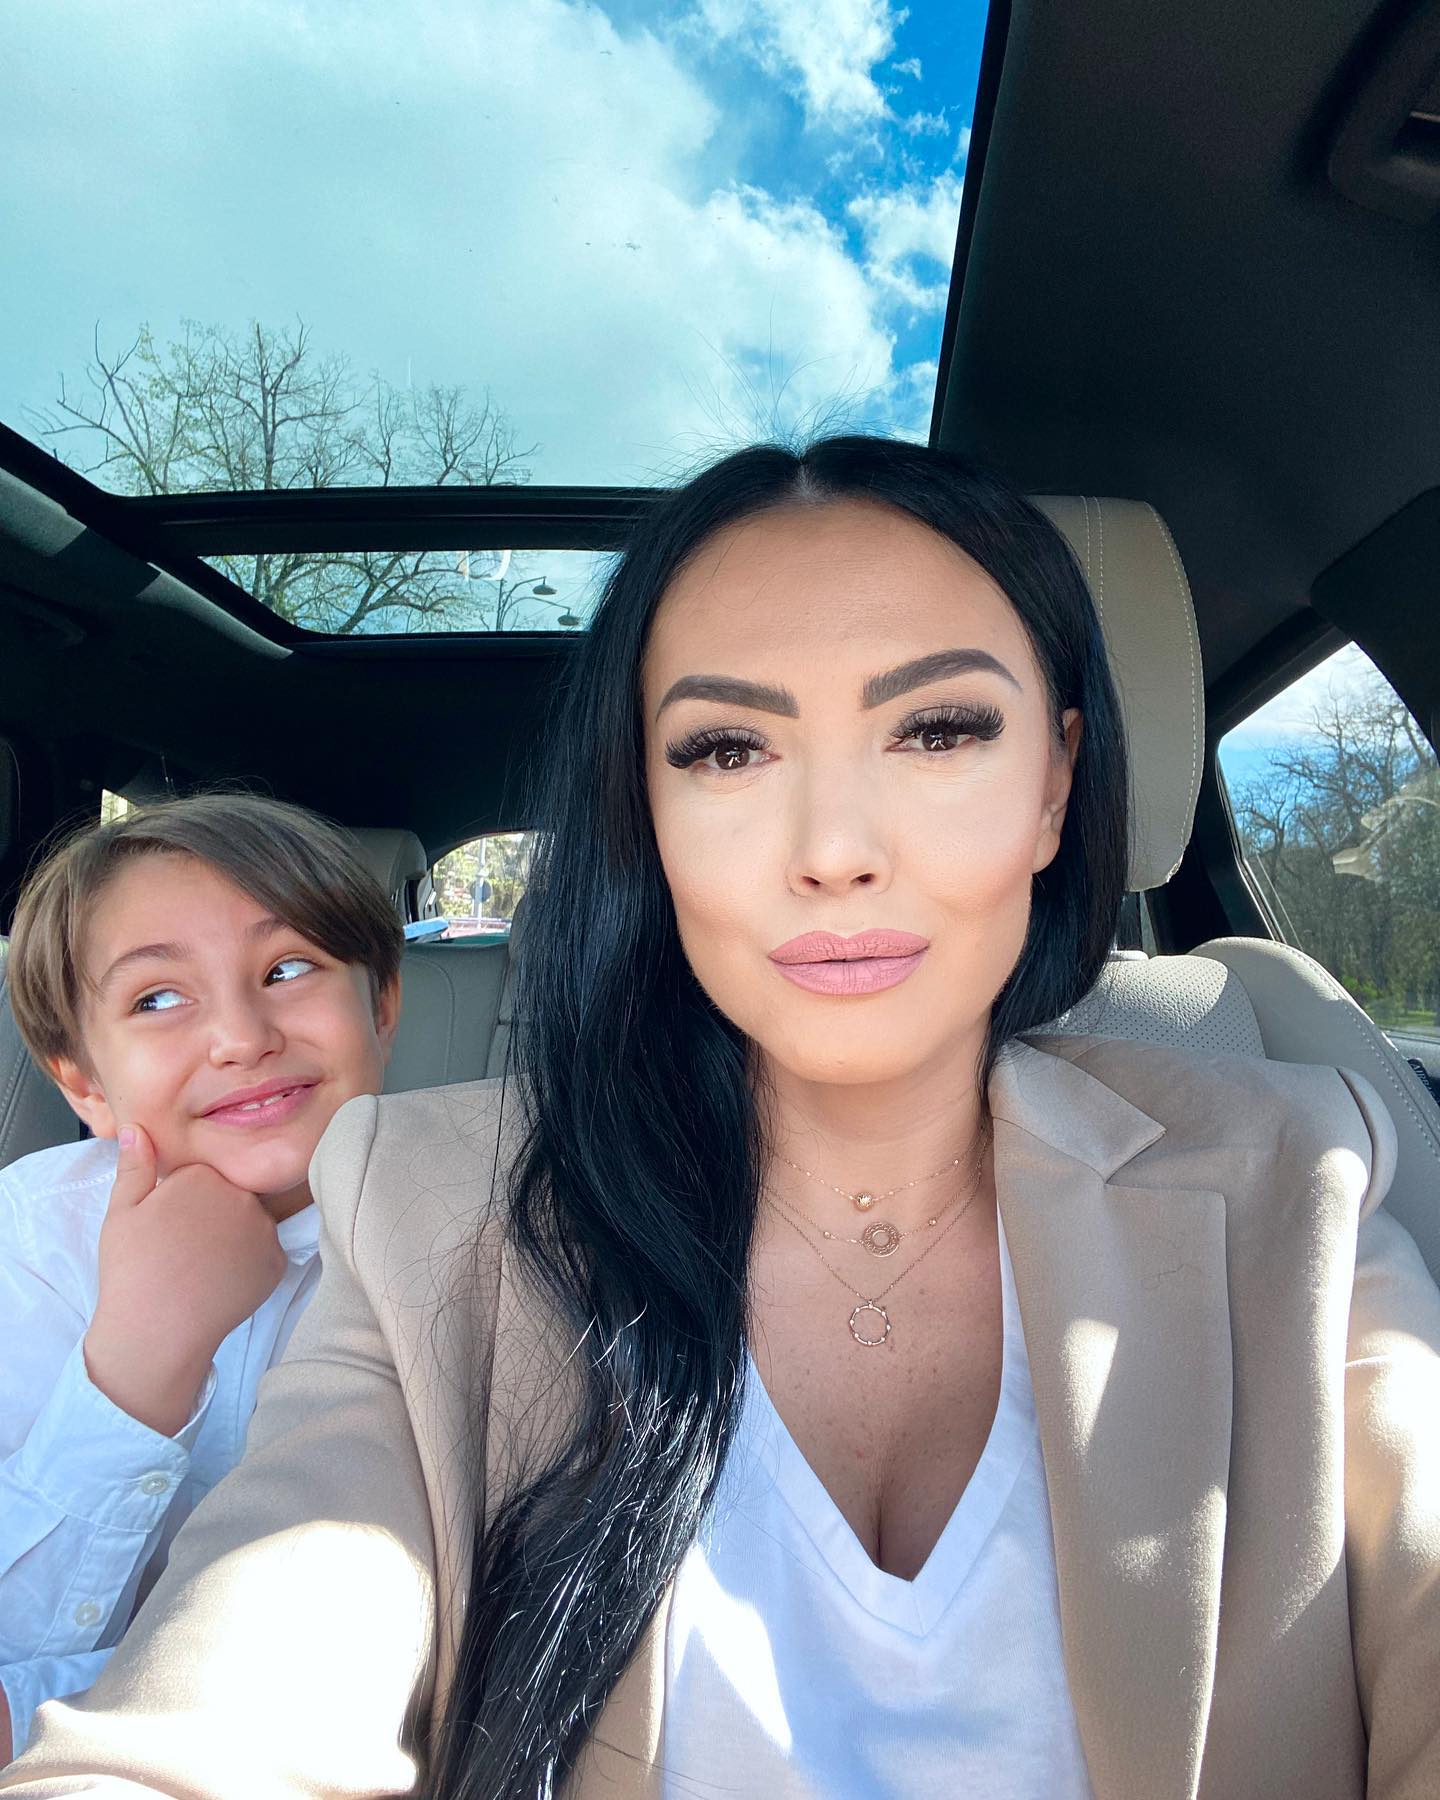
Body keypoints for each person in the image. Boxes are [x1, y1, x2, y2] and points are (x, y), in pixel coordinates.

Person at [2, 438, 1438, 1799]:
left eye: (938, 729)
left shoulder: (1299, 1175)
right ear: (645, 808)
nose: (833, 851)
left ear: (1055, 786)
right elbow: (240, 1672)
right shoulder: (424, 1208)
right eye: (727, 751)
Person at [0, 794, 402, 1764]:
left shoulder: (468, 1240)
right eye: (157, 999)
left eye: (289, 969)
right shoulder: (30, 1243)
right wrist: (138, 1365)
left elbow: (392, 1659)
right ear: (84, 1083)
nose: (241, 1036)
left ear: (381, 1008)